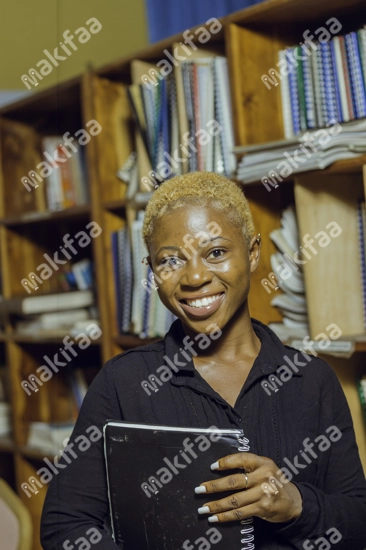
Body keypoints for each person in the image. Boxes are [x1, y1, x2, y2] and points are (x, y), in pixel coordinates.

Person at [41, 172, 366, 549]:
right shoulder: (122, 383)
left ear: (254, 251)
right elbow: (65, 527)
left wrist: (296, 505)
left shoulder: (312, 380)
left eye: (216, 252)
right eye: (171, 260)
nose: (194, 276)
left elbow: (357, 523)